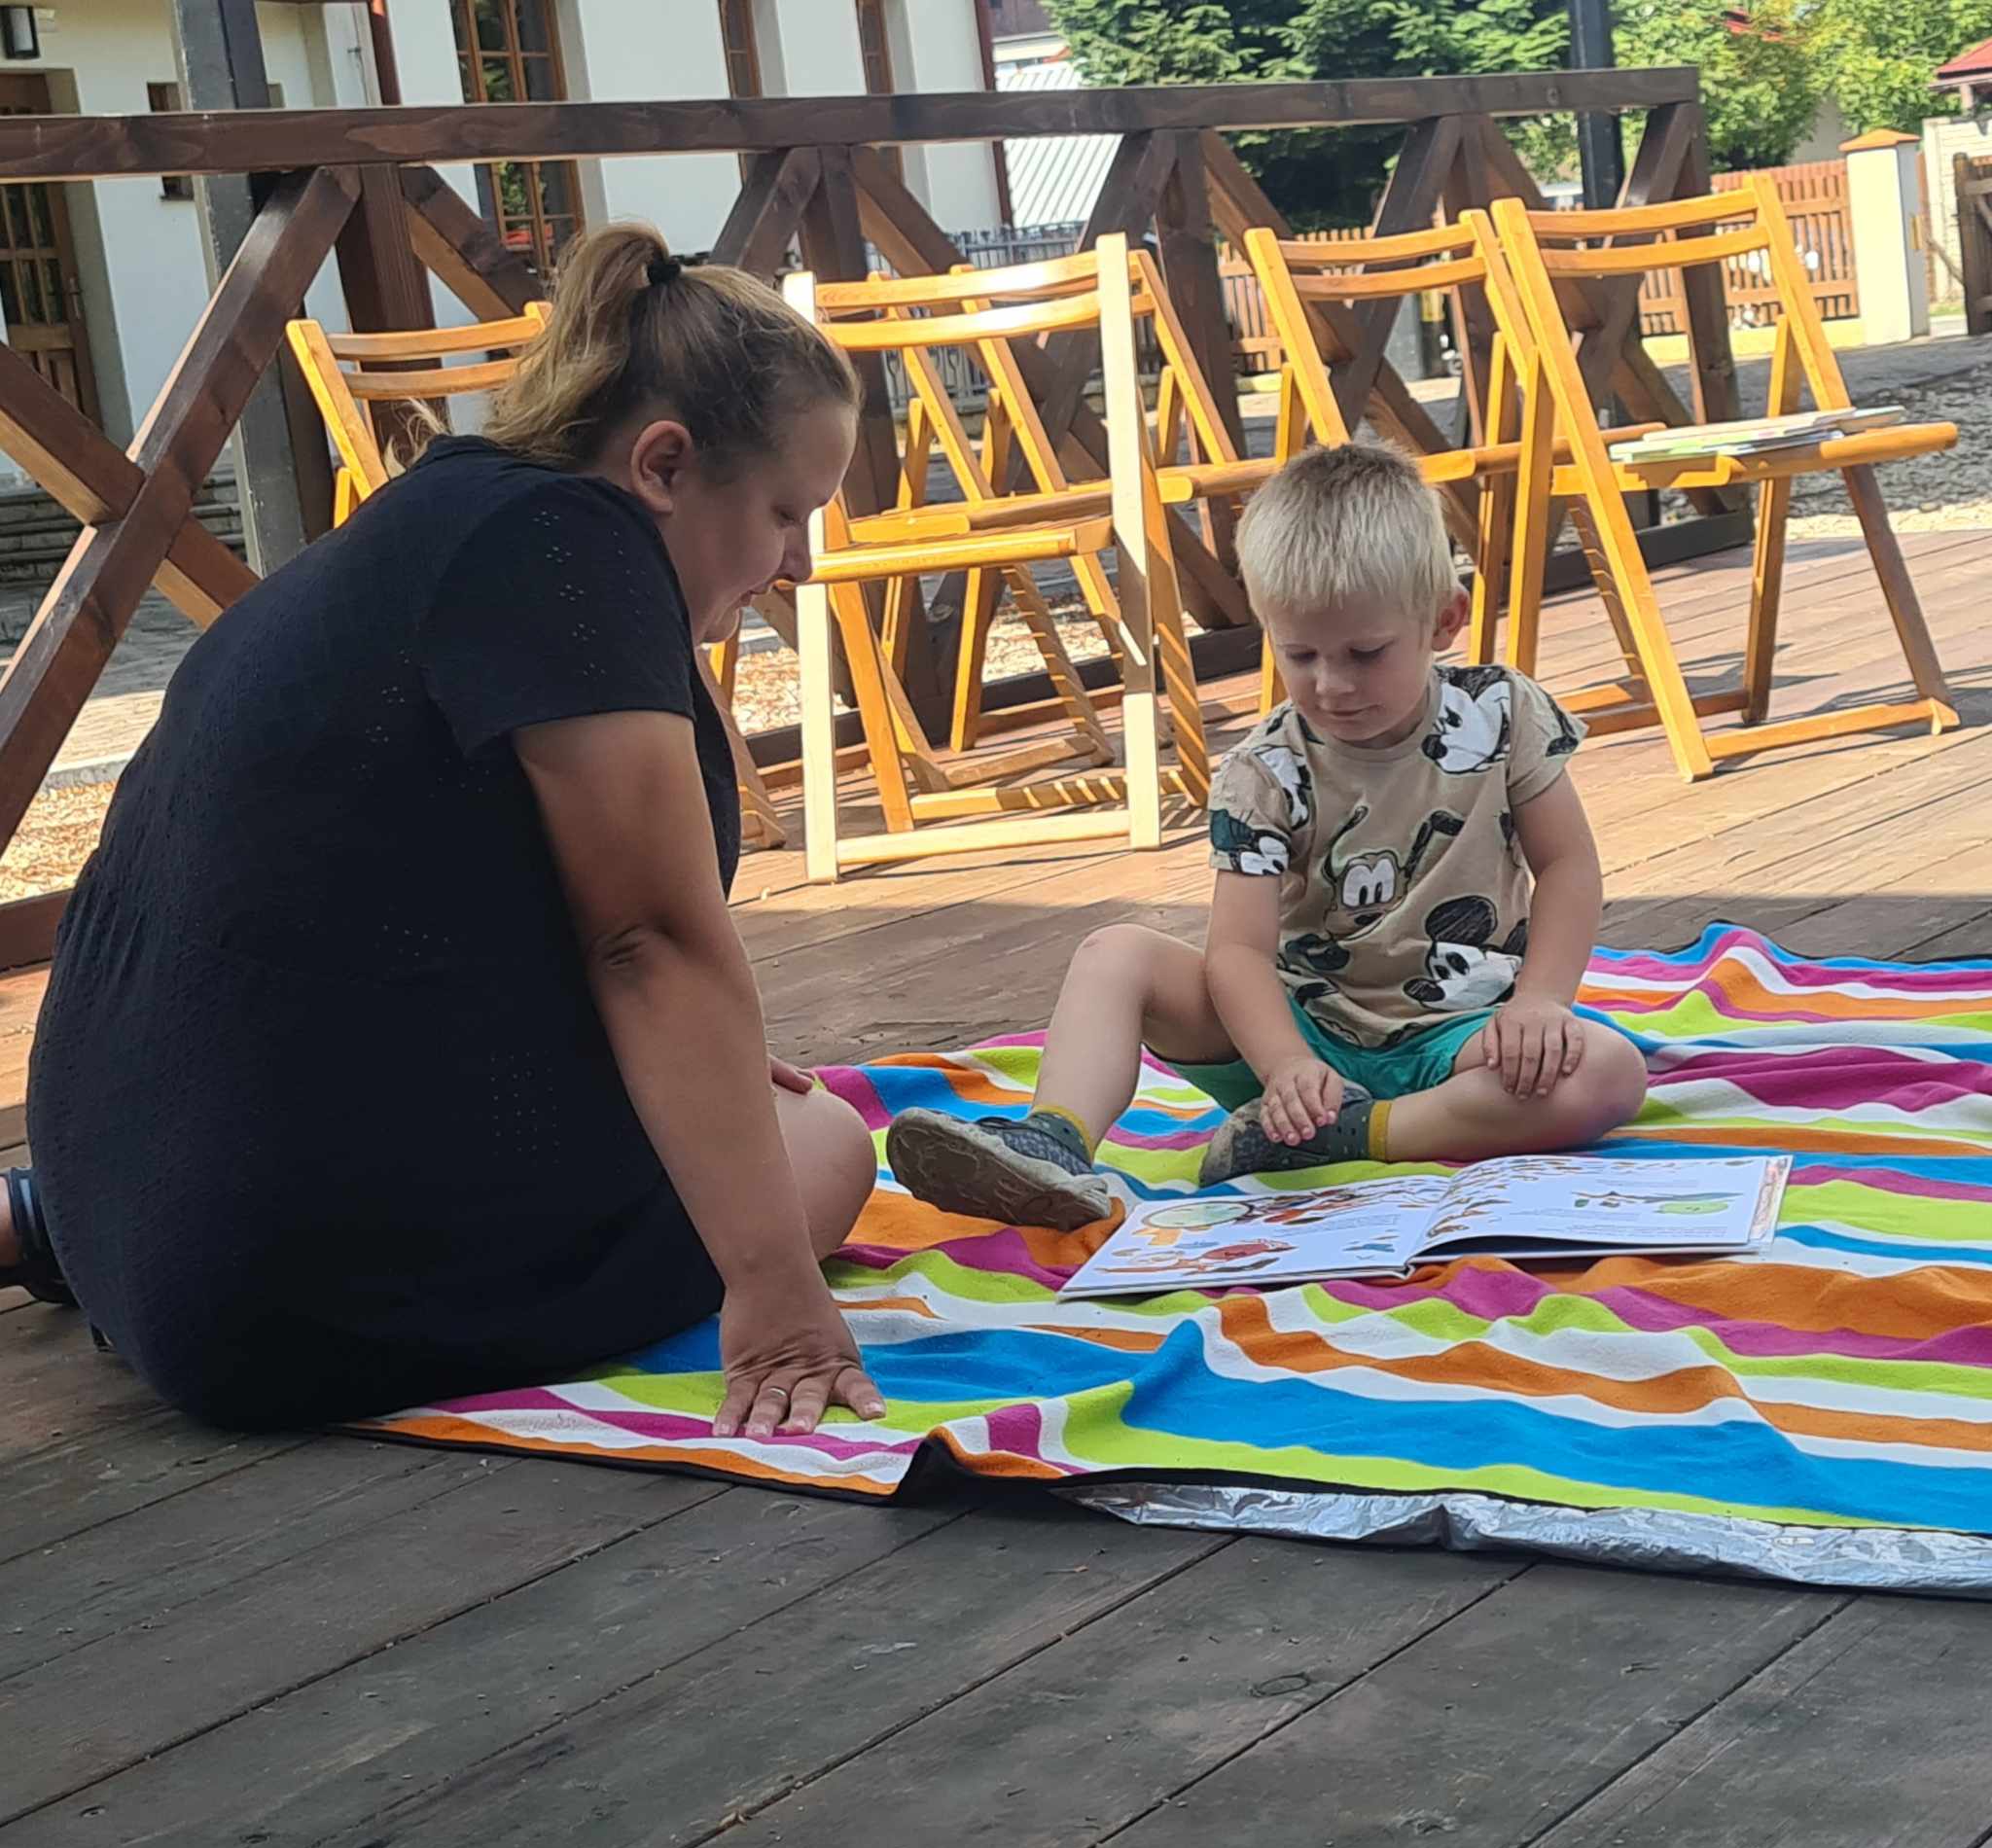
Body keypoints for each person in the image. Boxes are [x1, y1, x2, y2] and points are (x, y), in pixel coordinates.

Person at [0, 224, 887, 1443]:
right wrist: (777, 1298)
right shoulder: (576, 553)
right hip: (263, 1294)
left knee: (737, 1109)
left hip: (116, 1187)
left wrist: (711, 1078)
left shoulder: (445, 511)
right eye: (787, 513)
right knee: (825, 1146)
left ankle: (44, 1223)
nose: (798, 563)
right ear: (664, 464)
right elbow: (647, 941)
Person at [886, 443, 1649, 1231]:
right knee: (1115, 953)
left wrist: (1541, 1000)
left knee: (1608, 1072)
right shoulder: (1264, 770)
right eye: (1300, 654)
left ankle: (1354, 1135)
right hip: (1295, 1037)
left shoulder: (1504, 713)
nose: (1332, 683)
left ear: (1444, 621)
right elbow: (1238, 952)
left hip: (1459, 1036)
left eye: (1366, 653)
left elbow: (1567, 865)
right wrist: (1286, 1065)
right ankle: (1054, 1141)